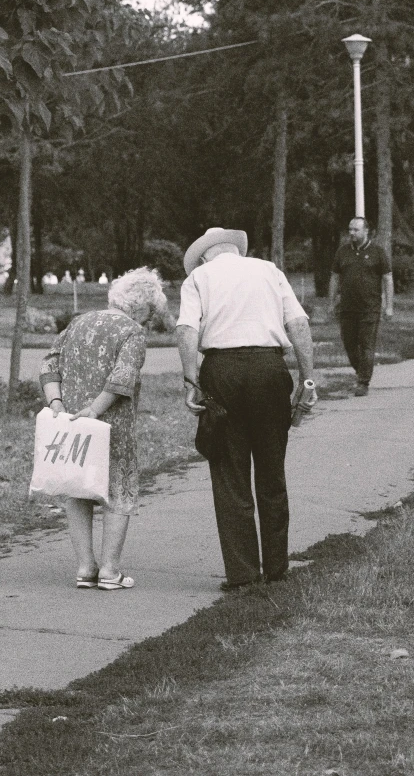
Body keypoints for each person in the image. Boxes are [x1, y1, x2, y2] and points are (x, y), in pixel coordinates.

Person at [176, 227, 317, 592]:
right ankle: (276, 567)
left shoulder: (199, 278)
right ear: (234, 250)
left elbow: (187, 330)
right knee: (272, 471)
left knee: (229, 472)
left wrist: (191, 380)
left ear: (206, 255)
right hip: (269, 368)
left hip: (222, 371)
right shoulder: (270, 270)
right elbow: (298, 324)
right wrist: (308, 379)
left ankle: (242, 574)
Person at [40, 267, 167, 591]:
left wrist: (56, 404)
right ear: (141, 307)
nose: (149, 321)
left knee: (78, 490)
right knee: (117, 493)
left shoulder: (77, 323)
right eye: (150, 313)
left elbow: (49, 364)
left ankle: (85, 568)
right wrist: (96, 410)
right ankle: (110, 571)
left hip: (72, 424)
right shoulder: (132, 331)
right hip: (113, 426)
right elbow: (123, 376)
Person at [329, 217, 394, 396]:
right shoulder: (342, 252)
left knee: (366, 346)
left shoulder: (377, 252)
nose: (352, 233)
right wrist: (331, 302)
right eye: (350, 229)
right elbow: (334, 277)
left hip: (370, 308)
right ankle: (361, 373)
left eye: (356, 230)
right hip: (347, 308)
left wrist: (389, 306)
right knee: (349, 344)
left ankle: (363, 382)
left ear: (366, 231)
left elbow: (387, 279)